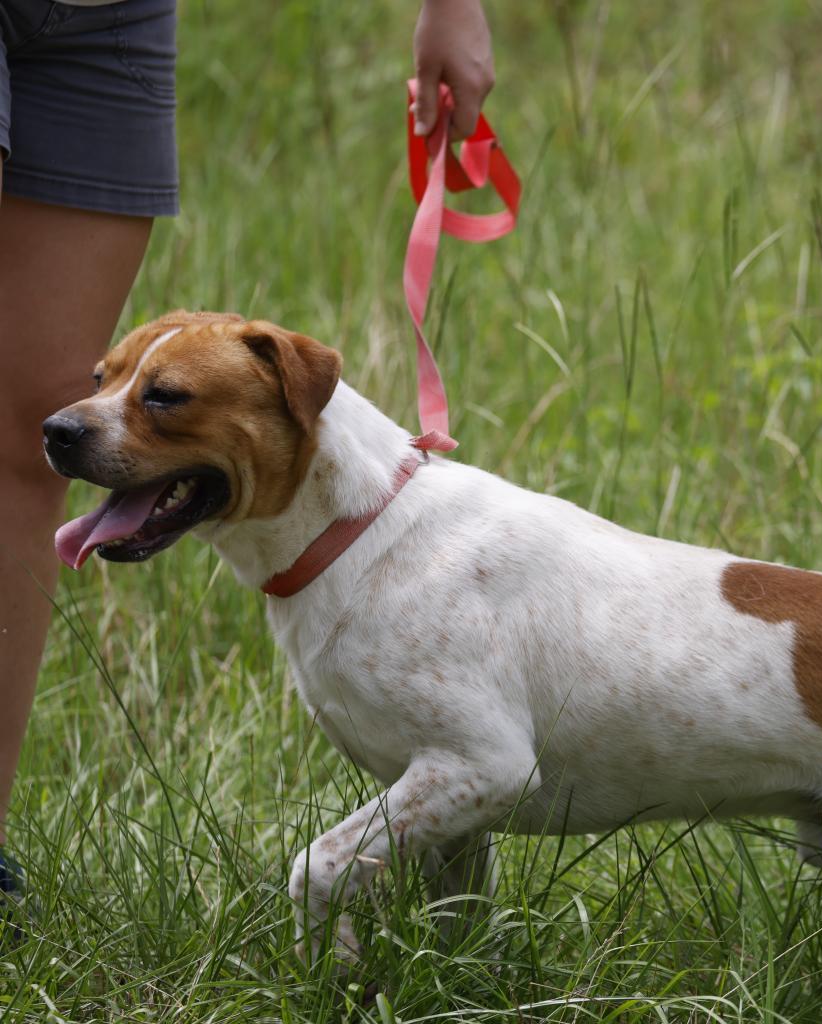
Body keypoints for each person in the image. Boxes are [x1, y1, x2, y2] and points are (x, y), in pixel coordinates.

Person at [0, 0, 494, 904]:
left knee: (27, 429)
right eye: (121, 388)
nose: (103, 414)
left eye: (161, 401)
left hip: (104, 18)